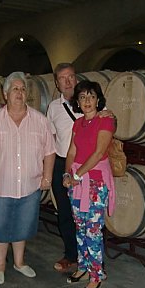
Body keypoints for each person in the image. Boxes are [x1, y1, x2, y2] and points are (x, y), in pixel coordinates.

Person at [0, 71, 56, 285]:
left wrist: (47, 176)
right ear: (5, 95)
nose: (20, 93)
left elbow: (50, 151)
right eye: (15, 89)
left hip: (30, 184)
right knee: (0, 226)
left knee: (23, 225)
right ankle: (0, 264)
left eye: (23, 89)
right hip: (1, 185)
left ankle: (20, 262)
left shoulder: (40, 120)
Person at [63, 81, 116, 288]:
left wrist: (76, 175)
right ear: (77, 101)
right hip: (77, 182)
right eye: (82, 96)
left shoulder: (105, 121)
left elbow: (98, 153)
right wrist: (67, 173)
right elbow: (71, 152)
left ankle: (96, 274)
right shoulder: (78, 123)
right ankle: (83, 267)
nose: (86, 101)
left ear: (98, 99)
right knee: (80, 227)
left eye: (91, 96)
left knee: (93, 230)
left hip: (94, 182)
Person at [46, 63, 80, 274]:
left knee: (86, 213)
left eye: (71, 77)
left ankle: (91, 257)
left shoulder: (90, 100)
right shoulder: (53, 108)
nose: (67, 81)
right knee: (65, 213)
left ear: (76, 79)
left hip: (85, 164)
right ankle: (71, 255)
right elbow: (50, 138)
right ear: (57, 84)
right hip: (61, 162)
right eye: (62, 78)